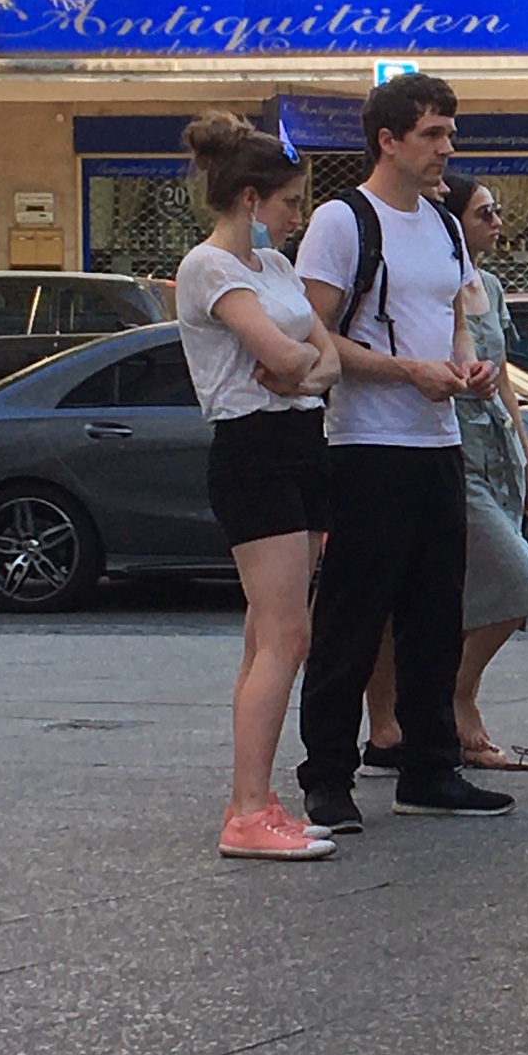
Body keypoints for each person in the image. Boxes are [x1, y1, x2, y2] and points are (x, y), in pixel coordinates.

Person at [292, 70, 515, 831]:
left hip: (439, 440)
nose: (446, 148)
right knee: (353, 615)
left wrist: (466, 369)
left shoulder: (445, 225)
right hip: (367, 443)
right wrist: (406, 373)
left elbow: (454, 320)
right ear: (387, 140)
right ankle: (327, 776)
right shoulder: (343, 221)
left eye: (450, 133)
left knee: (434, 613)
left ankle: (429, 767)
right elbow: (315, 335)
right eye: (432, 134)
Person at [359, 173, 528, 775]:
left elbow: (502, 379)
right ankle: (443, 705)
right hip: (445, 445)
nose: (498, 223)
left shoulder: (490, 287)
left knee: (459, 595)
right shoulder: (422, 282)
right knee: (513, 582)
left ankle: (415, 722)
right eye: (484, 213)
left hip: (495, 448)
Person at [173, 112, 340, 861]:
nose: (298, 214)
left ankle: (257, 799)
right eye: (290, 201)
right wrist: (297, 365)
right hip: (254, 449)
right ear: (250, 198)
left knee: (269, 634)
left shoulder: (272, 266)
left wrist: (297, 369)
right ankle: (246, 812)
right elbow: (282, 350)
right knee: (285, 633)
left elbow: (323, 361)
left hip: (301, 443)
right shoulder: (210, 267)